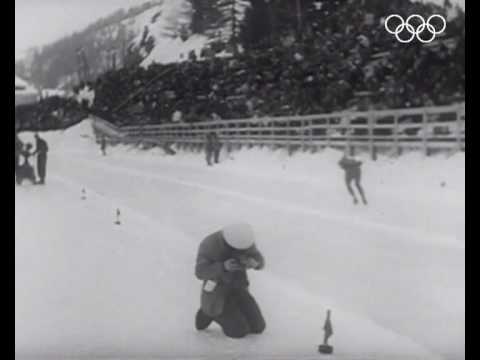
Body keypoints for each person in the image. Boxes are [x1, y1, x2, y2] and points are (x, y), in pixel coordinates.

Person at [195, 223, 266, 339]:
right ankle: (207, 312)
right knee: (238, 331)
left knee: (258, 327)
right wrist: (223, 267)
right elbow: (200, 272)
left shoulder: (245, 239)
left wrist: (255, 263)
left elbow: (259, 259)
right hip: (218, 292)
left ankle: (229, 309)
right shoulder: (209, 245)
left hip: (238, 287)